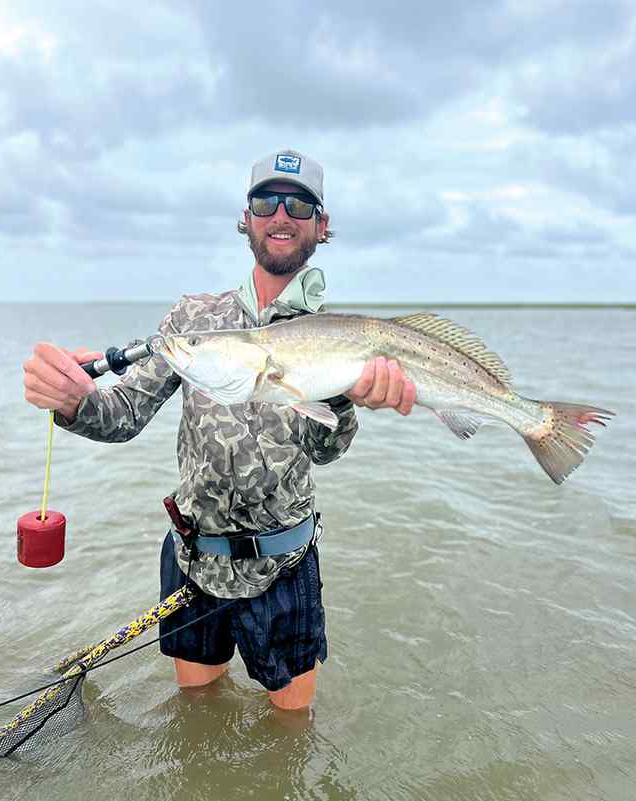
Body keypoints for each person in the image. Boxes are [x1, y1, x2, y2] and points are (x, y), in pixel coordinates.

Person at [23, 149, 416, 711]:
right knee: (197, 715)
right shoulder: (192, 321)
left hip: (284, 564)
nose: (282, 214)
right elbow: (123, 414)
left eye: (300, 204)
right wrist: (73, 401)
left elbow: (326, 449)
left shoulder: (337, 333)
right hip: (194, 556)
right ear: (246, 218)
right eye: (266, 201)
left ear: (321, 226)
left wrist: (345, 400)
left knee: (291, 731)